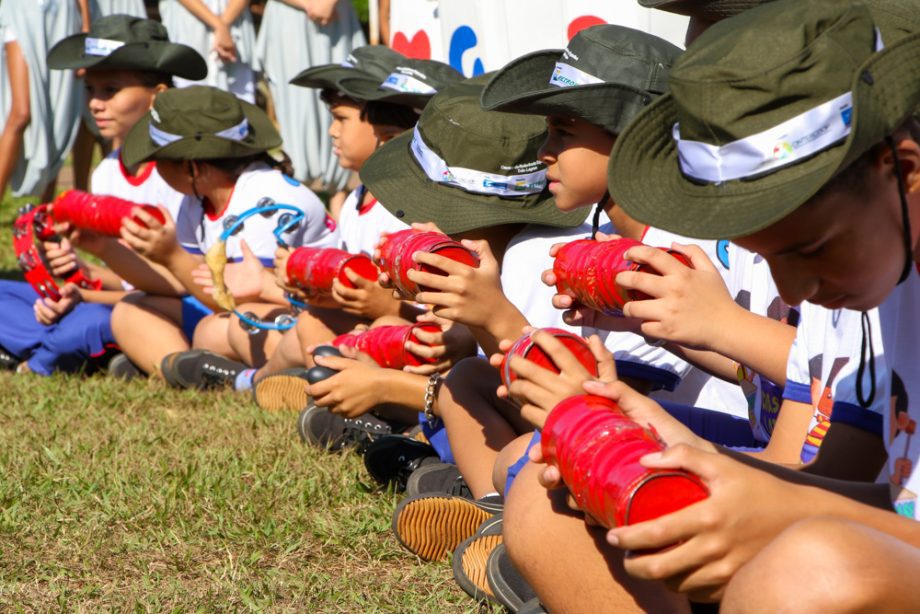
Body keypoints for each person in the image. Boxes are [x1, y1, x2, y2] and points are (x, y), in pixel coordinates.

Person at [502, 1, 920, 610]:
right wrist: (673, 445)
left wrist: (785, 508)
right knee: (550, 500)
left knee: (813, 567)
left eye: (810, 248)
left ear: (902, 170)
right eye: (767, 255)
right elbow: (869, 492)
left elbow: (846, 527)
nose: (795, 288)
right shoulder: (862, 286)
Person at [0, 15, 206, 377]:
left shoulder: (182, 173)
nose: (95, 104)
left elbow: (182, 288)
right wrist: (80, 276)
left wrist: (87, 295)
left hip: (176, 307)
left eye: (110, 90)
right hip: (126, 300)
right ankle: (98, 352)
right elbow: (126, 277)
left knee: (91, 320)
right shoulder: (107, 171)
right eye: (90, 91)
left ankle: (54, 355)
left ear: (158, 95)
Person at [111, 85, 338, 380]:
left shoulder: (265, 199)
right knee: (130, 309)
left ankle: (204, 371)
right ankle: (184, 368)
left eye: (158, 160)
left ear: (191, 167)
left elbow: (241, 298)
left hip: (292, 317)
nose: (153, 169)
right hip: (235, 312)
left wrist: (172, 255)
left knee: (215, 330)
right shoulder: (196, 200)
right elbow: (184, 282)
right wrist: (105, 249)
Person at [255, 0, 366, 191]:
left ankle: (337, 192)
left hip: (335, 14)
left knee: (340, 93)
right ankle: (300, 190)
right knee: (295, 101)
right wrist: (308, 4)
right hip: (289, 16)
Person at [0, 0, 86, 201]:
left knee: (56, 115)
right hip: (21, 10)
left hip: (62, 14)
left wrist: (85, 27)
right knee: (21, 113)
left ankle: (44, 217)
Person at [158, 0, 257, 102]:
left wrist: (223, 24)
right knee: (187, 91)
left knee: (238, 94)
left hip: (234, 16)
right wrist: (220, 25)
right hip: (189, 21)